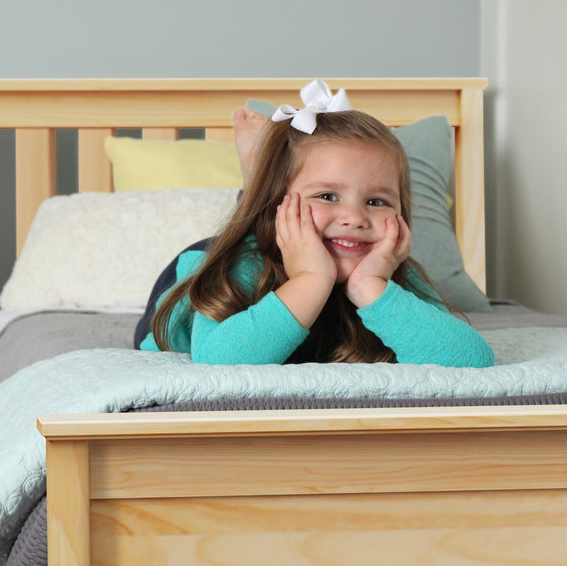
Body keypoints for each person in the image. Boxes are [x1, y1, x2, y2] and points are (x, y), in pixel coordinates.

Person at [138, 79, 495, 368]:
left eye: (376, 201)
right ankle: (257, 186)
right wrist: (311, 279)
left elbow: (473, 361)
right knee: (250, 226)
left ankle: (264, 178)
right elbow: (220, 362)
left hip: (292, 226)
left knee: (278, 213)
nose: (355, 218)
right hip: (201, 265)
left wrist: (371, 287)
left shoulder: (395, 277)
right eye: (327, 196)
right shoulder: (239, 270)